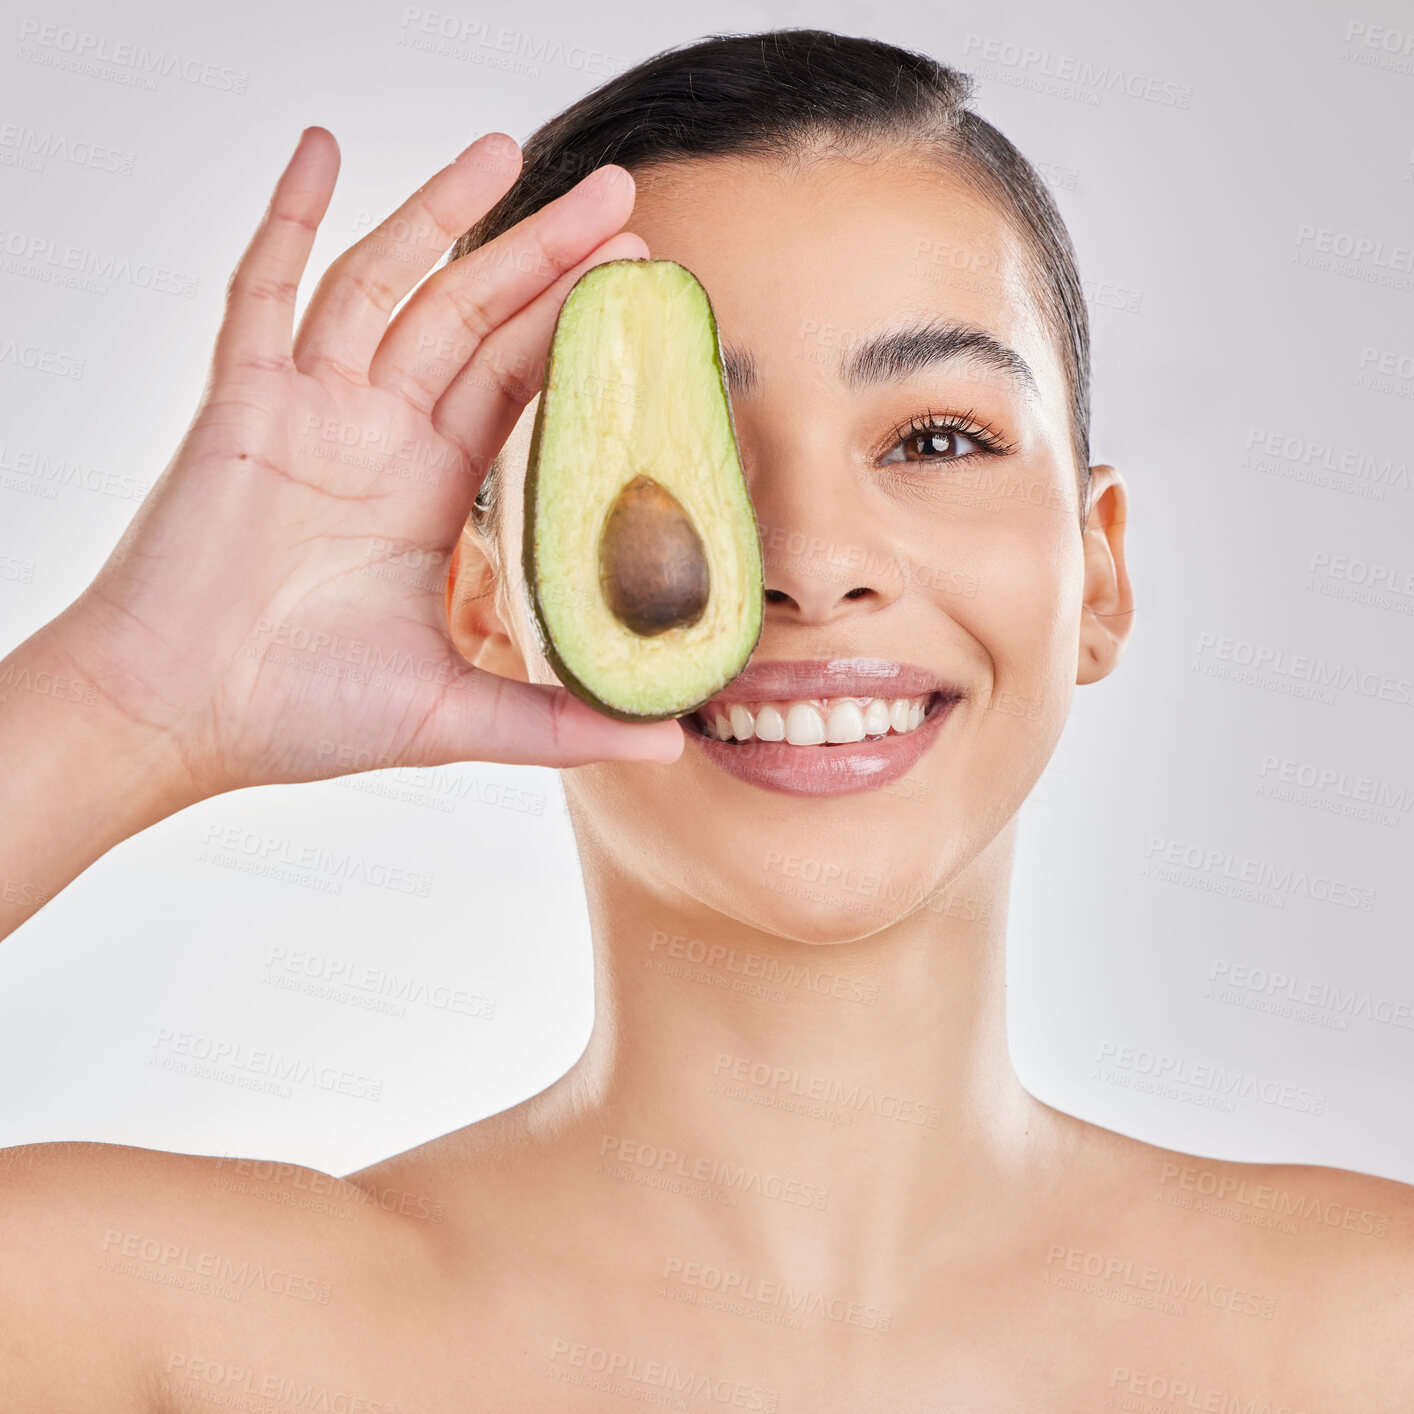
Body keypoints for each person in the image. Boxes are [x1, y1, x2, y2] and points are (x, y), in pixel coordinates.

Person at [0, 27, 1408, 1410]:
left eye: (934, 439)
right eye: (687, 444)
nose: (804, 557)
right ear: (490, 595)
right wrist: (130, 696)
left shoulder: (1362, 1330)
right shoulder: (163, 1325)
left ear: (1096, 573)